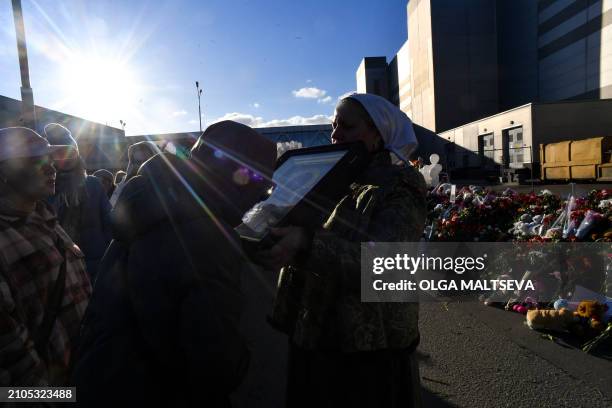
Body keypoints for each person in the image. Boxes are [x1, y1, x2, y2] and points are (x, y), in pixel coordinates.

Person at [72, 120, 277, 406]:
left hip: (109, 380)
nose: (335, 133)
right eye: (259, 183)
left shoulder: (151, 202)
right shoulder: (206, 237)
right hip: (156, 391)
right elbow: (215, 366)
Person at [260, 93, 427, 407]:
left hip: (368, 351)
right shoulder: (334, 176)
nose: (336, 134)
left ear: (378, 134)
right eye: (334, 125)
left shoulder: (400, 185)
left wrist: (305, 241)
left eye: (347, 127)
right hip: (316, 336)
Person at [0, 127, 92, 386]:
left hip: (87, 372)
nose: (51, 168)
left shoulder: (44, 217)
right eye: (35, 161)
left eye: (51, 161)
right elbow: (12, 383)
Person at [44, 123, 112, 283]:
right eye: (57, 153)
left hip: (96, 264)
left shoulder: (93, 184)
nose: (64, 158)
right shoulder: (44, 188)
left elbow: (109, 222)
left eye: (69, 152)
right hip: (60, 268)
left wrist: (109, 257)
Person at [109, 141, 158, 207]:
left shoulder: (161, 179)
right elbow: (114, 205)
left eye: (145, 161)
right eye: (138, 162)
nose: (141, 165)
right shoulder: (125, 182)